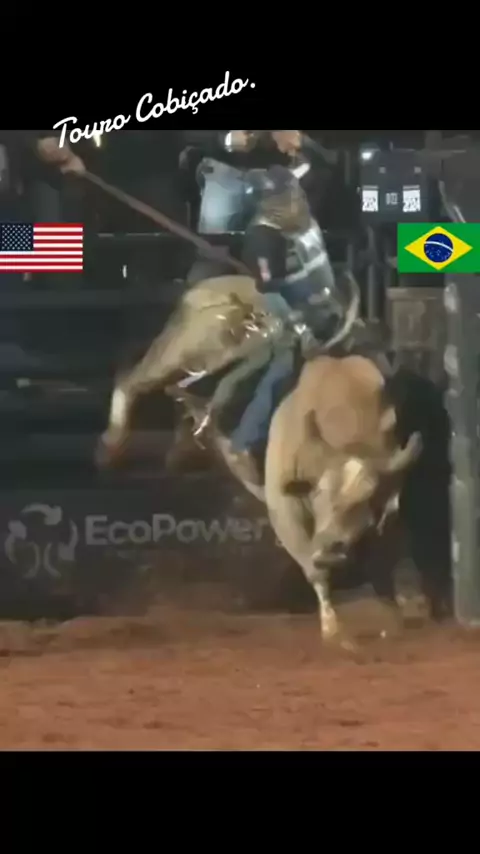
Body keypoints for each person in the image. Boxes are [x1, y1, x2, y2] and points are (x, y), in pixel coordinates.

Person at [200, 165, 346, 483]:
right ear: (271, 205)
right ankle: (244, 442)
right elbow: (272, 294)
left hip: (329, 310)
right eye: (288, 196)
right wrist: (302, 331)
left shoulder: (299, 221)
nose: (296, 200)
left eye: (295, 193)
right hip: (294, 318)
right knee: (284, 369)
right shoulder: (262, 239)